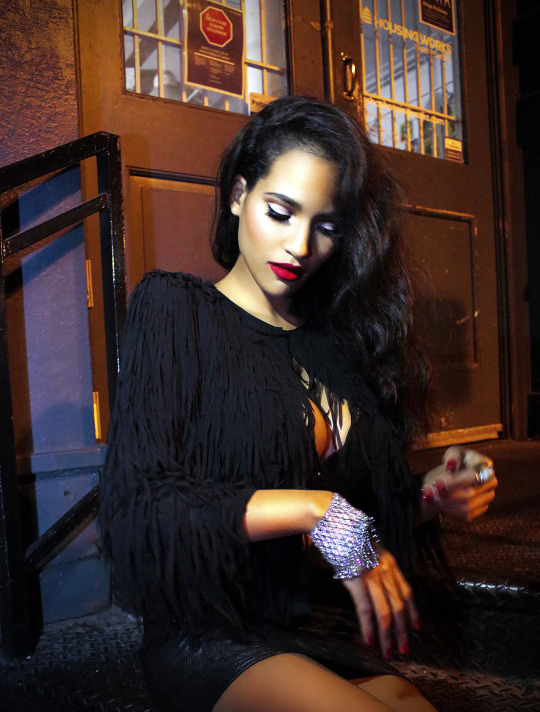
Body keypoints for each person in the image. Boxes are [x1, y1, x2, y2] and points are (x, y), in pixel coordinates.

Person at [99, 96, 498, 712]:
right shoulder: (177, 310)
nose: (300, 245)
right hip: (214, 632)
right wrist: (318, 510)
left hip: (317, 632)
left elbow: (365, 520)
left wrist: (433, 494)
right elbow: (139, 505)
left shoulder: (332, 348)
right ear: (239, 195)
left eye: (326, 226)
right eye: (280, 212)